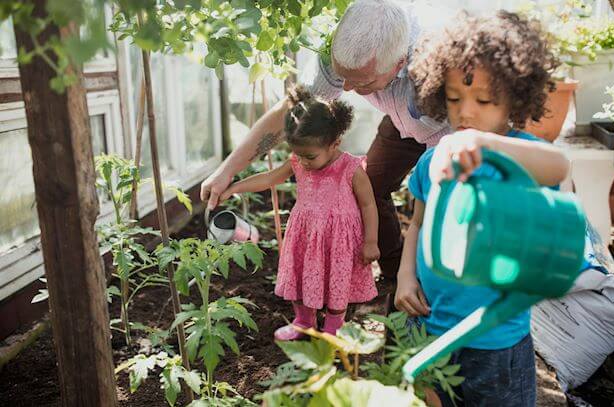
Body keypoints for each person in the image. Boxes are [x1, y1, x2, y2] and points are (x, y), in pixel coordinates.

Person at [201, 0, 455, 282]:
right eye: (342, 76)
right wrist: (226, 171)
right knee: (369, 188)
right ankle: (395, 276)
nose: (346, 88)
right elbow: (291, 112)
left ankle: (430, 286)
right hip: (401, 122)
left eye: (362, 82)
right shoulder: (341, 49)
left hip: (452, 133)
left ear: (399, 64)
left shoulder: (441, 59)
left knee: (441, 210)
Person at [396, 11, 572, 405]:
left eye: (484, 100)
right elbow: (418, 224)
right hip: (429, 327)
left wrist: (488, 145)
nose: (466, 113)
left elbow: (560, 166)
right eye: (455, 99)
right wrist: (405, 276)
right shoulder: (433, 159)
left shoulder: (522, 159)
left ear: (514, 98)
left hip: (493, 340)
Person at [220, 86, 379, 339]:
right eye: (298, 154)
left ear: (334, 143)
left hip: (338, 240)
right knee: (302, 279)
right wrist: (234, 186)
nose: (303, 162)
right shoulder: (298, 162)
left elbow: (369, 205)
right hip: (306, 235)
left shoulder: (350, 168)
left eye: (310, 156)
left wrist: (371, 241)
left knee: (336, 283)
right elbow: (269, 178)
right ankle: (304, 321)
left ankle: (333, 326)